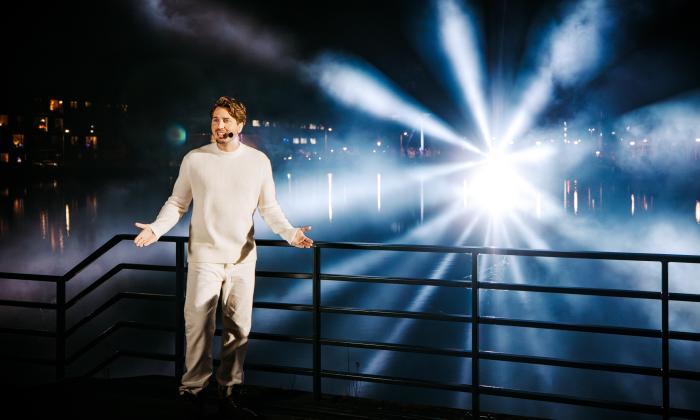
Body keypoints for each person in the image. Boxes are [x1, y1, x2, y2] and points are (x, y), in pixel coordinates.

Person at [133, 96, 313, 416]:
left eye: (227, 120)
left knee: (238, 329)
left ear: (240, 125)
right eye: (215, 119)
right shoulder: (195, 159)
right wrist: (156, 229)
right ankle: (192, 392)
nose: (219, 125)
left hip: (243, 259)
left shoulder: (258, 162)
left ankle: (229, 392)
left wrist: (291, 234)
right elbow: (177, 203)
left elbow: (269, 208)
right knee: (197, 327)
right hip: (204, 257)